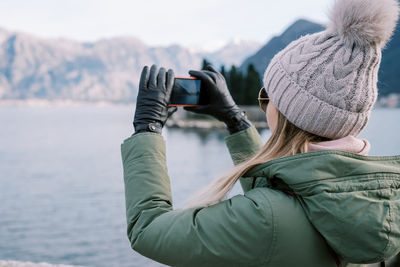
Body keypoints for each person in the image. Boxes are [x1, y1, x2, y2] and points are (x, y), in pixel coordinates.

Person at [121, 0, 400, 266]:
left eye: (267, 97)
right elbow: (295, 191)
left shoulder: (264, 220)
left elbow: (148, 229)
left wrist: (147, 129)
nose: (265, 105)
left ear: (288, 114)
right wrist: (235, 121)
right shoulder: (382, 199)